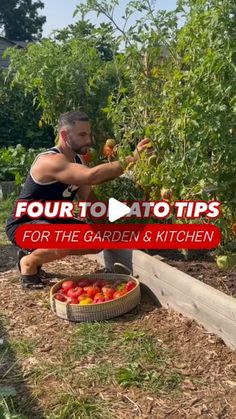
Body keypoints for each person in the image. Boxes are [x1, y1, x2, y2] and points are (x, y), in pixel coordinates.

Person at [6, 110, 149, 288]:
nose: (88, 140)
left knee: (97, 242)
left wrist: (107, 224)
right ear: (64, 135)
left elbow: (88, 198)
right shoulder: (50, 161)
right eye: (82, 134)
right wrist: (133, 158)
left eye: (88, 134)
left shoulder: (78, 160)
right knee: (62, 241)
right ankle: (28, 263)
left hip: (52, 221)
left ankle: (37, 251)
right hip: (24, 224)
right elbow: (92, 176)